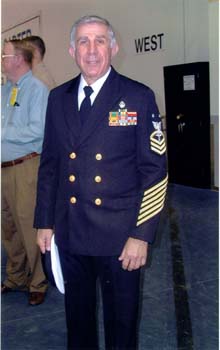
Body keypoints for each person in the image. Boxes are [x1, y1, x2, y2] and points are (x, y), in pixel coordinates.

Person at [34, 15, 168, 349]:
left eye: (99, 40)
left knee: (121, 326)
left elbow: (155, 171)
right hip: (71, 231)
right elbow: (50, 164)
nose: (91, 50)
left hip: (121, 237)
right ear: (71, 50)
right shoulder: (58, 98)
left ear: (113, 46)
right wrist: (44, 221)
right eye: (83, 41)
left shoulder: (137, 97)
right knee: (77, 323)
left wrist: (141, 235)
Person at [1, 39, 49, 306]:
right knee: (8, 227)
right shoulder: (5, 90)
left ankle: (38, 281)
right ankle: (16, 277)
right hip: (4, 170)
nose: (1, 58)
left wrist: (3, 133)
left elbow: (37, 130)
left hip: (27, 167)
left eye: (4, 54)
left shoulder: (36, 89)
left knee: (30, 227)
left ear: (19, 58)